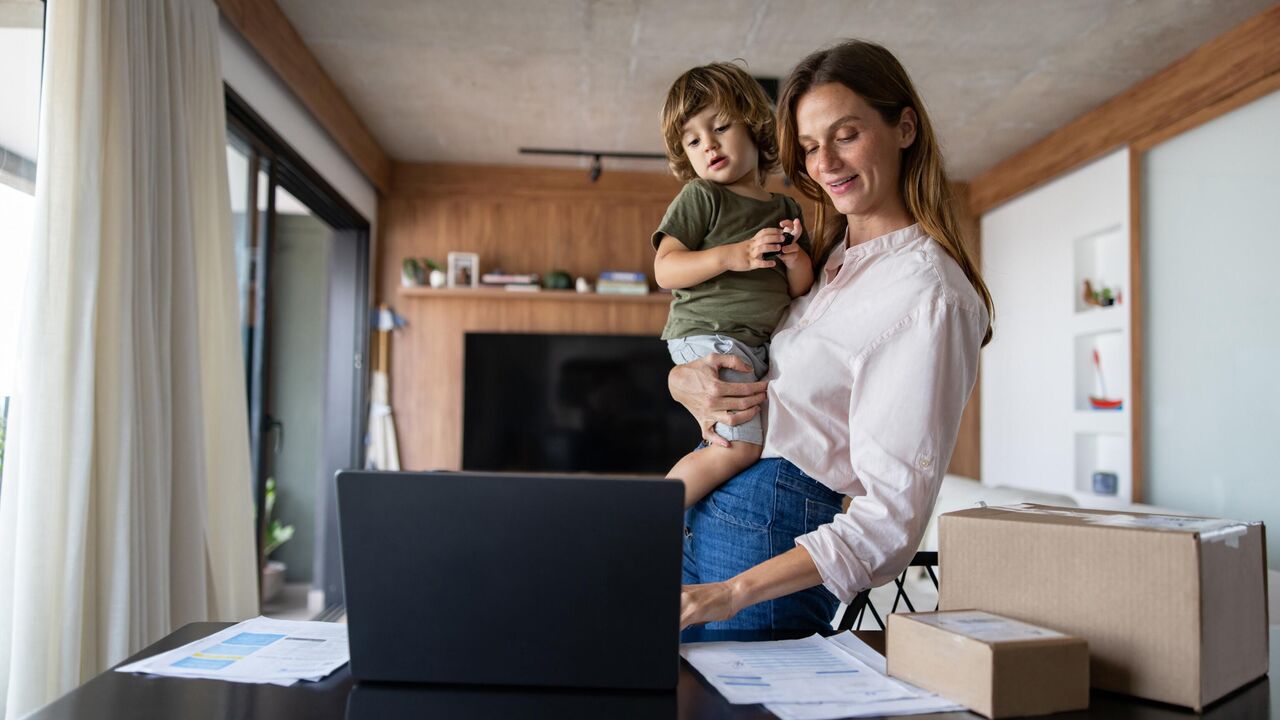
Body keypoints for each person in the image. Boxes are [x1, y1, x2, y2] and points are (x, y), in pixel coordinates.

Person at [672, 40, 994, 631]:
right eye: (811, 146)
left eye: (846, 135)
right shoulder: (827, 263)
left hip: (759, 558)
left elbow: (891, 521)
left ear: (904, 128)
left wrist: (731, 593)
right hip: (713, 522)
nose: (825, 164)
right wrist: (681, 378)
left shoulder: (929, 295)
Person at [652, 62, 815, 508]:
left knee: (737, 441)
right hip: (709, 334)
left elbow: (801, 288)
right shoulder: (702, 197)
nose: (708, 145)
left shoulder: (786, 207)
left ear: (755, 128)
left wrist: (796, 257)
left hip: (750, 343)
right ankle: (648, 515)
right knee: (740, 447)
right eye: (693, 140)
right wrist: (733, 255)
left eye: (721, 126)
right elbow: (665, 269)